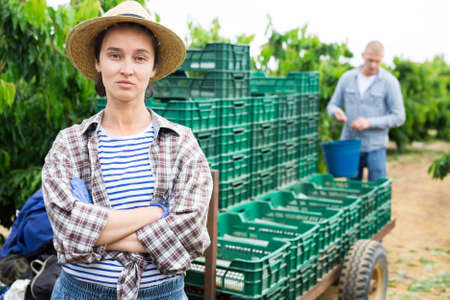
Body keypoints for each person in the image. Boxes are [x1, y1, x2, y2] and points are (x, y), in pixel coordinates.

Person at [41, 1, 213, 299]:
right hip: (78, 292)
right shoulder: (69, 144)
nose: (126, 69)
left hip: (162, 293)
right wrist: (157, 213)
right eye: (115, 55)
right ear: (98, 62)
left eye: (140, 58)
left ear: (154, 67)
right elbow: (67, 231)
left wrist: (94, 234)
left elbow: (190, 234)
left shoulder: (180, 142)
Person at [327, 40, 405, 181]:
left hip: (375, 146)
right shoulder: (347, 78)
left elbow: (399, 117)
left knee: (376, 193)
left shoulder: (389, 82)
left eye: (377, 61)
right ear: (363, 56)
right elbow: (332, 105)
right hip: (350, 145)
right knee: (353, 192)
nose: (373, 65)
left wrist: (369, 122)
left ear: (382, 59)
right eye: (370, 60)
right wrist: (336, 112)